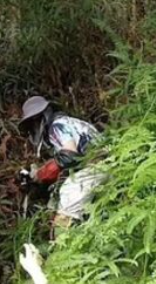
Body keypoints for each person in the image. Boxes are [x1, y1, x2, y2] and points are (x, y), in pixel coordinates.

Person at [18, 96, 107, 231]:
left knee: (68, 193)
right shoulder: (70, 122)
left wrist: (43, 172)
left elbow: (69, 155)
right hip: (107, 162)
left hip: (98, 165)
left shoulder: (57, 127)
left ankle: (63, 244)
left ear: (42, 118)